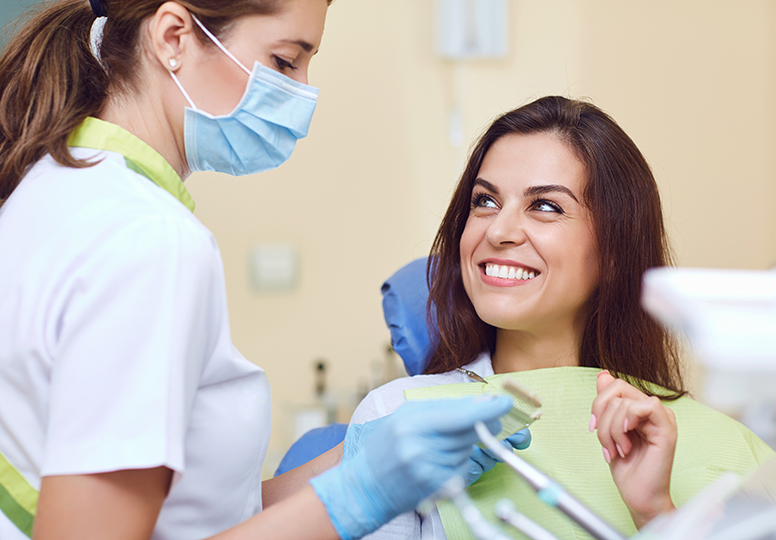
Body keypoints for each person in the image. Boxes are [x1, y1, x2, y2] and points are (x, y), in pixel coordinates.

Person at [0, 1, 525, 539]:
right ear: (174, 38)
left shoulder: (55, 187)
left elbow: (190, 517)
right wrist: (360, 494)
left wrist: (355, 459)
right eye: (284, 62)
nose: (303, 95)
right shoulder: (150, 242)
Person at [350, 96, 776, 540]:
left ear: (613, 252)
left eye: (546, 206)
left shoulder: (727, 448)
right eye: (485, 201)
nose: (498, 231)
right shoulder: (398, 418)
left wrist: (657, 514)